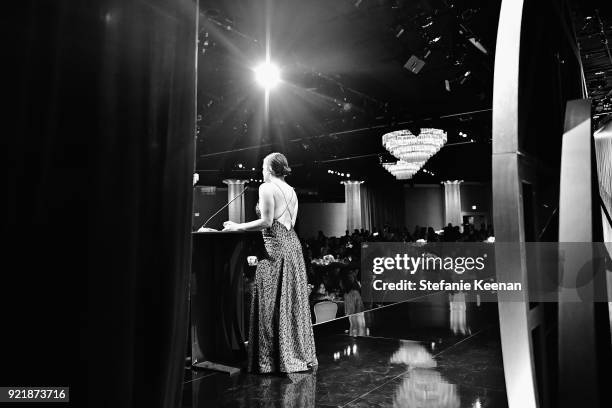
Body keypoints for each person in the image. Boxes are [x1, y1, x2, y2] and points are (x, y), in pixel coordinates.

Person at [222, 152, 318, 373]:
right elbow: (289, 222)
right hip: (293, 246)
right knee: (290, 301)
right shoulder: (292, 191)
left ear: (271, 169)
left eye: (263, 166)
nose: (261, 170)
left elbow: (267, 221)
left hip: (275, 248)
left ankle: (272, 359)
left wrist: (237, 226)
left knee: (268, 300)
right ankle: (294, 353)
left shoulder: (266, 188)